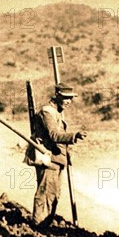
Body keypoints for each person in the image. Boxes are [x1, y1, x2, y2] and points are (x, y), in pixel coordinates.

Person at [31, 83, 87, 226]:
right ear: (57, 96)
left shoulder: (57, 111)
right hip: (48, 158)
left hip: (57, 159)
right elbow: (54, 135)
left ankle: (45, 225)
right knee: (45, 193)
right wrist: (73, 135)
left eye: (70, 98)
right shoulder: (47, 111)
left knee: (53, 194)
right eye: (66, 98)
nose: (69, 101)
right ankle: (38, 226)